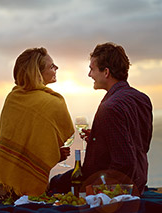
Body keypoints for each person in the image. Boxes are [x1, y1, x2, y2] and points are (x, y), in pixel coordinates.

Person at [49, 42, 153, 196]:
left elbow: (124, 164)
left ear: (106, 72)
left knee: (54, 183)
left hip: (113, 188)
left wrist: (94, 191)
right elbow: (139, 143)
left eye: (92, 69)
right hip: (140, 180)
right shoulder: (142, 99)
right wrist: (99, 139)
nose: (89, 74)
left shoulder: (110, 107)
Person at [0, 47, 74, 200]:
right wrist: (55, 154)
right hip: (20, 190)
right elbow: (40, 147)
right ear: (37, 73)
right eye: (51, 66)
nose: (56, 69)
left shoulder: (13, 97)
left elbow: (28, 142)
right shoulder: (53, 103)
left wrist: (54, 155)